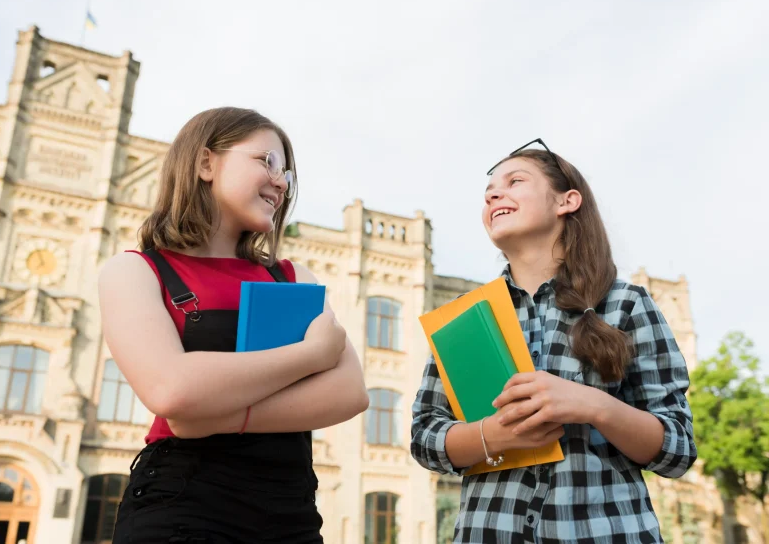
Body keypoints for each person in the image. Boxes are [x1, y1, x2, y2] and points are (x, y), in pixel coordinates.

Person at [98, 107, 369, 543]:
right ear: (206, 163)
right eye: (269, 162)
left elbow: (349, 393)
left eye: (288, 175)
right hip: (181, 506)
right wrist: (309, 355)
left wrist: (211, 416)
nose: (281, 182)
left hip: (290, 514)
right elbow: (172, 390)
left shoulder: (292, 275)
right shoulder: (136, 271)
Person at [410, 139, 696, 543]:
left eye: (515, 180)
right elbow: (424, 438)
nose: (494, 193)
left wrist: (594, 405)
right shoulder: (463, 316)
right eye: (489, 190)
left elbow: (679, 448)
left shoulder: (626, 304)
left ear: (567, 201)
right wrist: (494, 435)